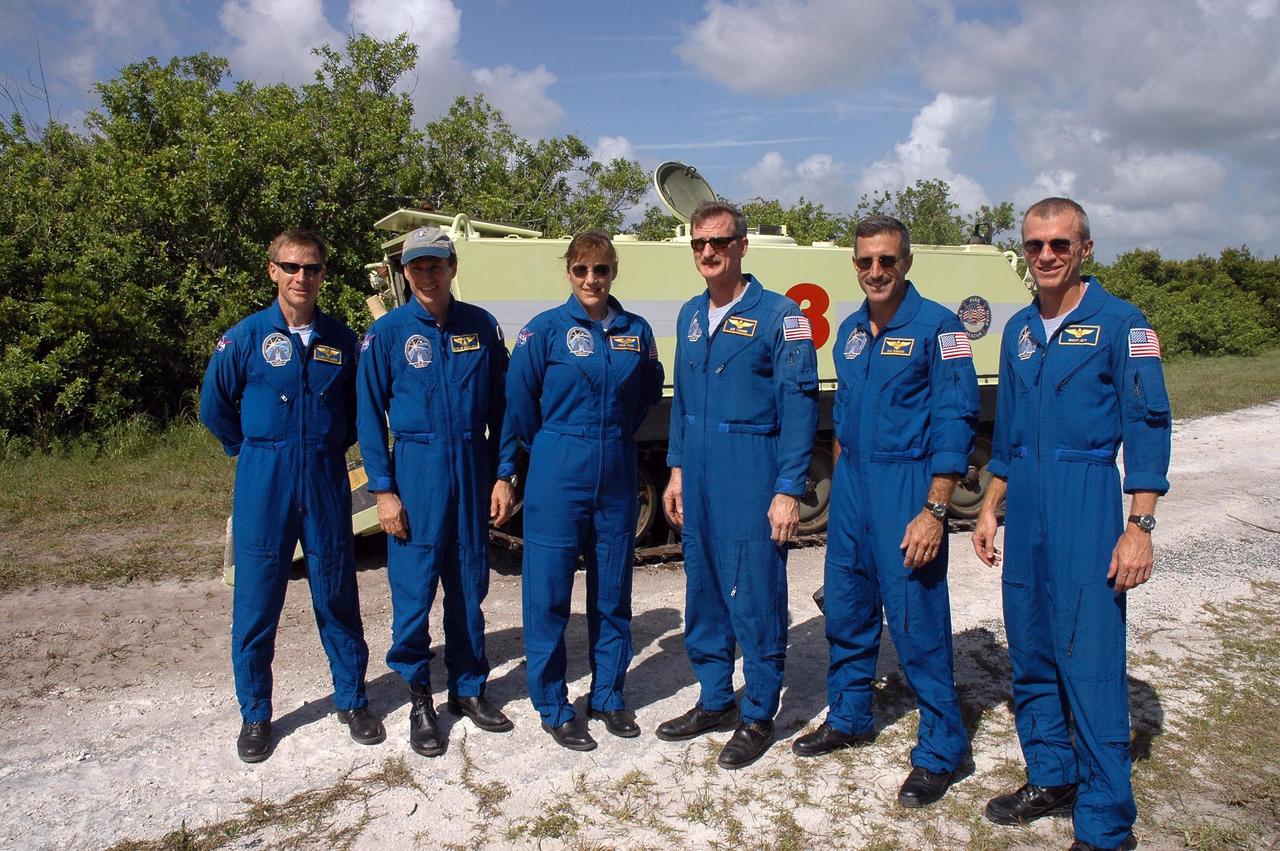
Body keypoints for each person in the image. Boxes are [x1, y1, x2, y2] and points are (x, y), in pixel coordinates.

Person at [972, 199, 1171, 851]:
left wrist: (1139, 523)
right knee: (1030, 652)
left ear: (1085, 248)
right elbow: (1008, 432)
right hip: (1024, 501)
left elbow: (1147, 427)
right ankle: (1053, 776)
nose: (1047, 256)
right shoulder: (1020, 329)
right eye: (1035, 245)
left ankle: (1108, 821)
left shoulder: (1121, 323)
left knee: (1088, 660)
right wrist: (991, 503)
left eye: (1060, 244)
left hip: (1085, 494)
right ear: (1023, 252)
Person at [792, 216, 978, 809]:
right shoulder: (849, 330)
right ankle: (850, 716)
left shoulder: (939, 329)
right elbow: (843, 416)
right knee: (846, 608)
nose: (876, 271)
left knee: (916, 621)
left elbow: (956, 421)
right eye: (866, 261)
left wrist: (934, 510)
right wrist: (844, 484)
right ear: (855, 264)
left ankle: (942, 750)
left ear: (907, 262)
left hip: (908, 485)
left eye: (887, 261)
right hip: (853, 486)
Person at [200, 228, 382, 763]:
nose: (303, 277)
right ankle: (256, 714)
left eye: (313, 268)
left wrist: (323, 448)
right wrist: (251, 450)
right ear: (273, 271)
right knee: (256, 604)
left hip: (324, 477)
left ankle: (352, 699)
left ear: (324, 274)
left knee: (337, 593)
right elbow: (214, 405)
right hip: (264, 478)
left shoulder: (341, 340)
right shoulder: (247, 336)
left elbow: (356, 412)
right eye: (292, 267)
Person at [659, 201, 819, 769]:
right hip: (698, 467)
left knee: (752, 589)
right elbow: (680, 397)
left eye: (720, 242)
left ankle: (757, 712)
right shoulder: (689, 315)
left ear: (742, 247)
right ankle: (714, 697)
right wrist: (676, 469)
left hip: (752, 463)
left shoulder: (780, 315)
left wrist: (787, 488)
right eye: (700, 243)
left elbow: (799, 407)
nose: (708, 252)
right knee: (703, 586)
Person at [355, 226, 515, 757]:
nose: (428, 274)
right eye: (418, 266)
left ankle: (468, 689)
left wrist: (503, 474)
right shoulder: (390, 332)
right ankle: (420, 694)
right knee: (414, 589)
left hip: (472, 465)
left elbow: (504, 408)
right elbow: (368, 418)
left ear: (453, 267)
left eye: (437, 264)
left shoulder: (482, 327)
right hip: (416, 470)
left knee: (469, 586)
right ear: (406, 273)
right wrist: (383, 490)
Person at [502, 231, 664, 751]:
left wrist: (611, 434)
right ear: (568, 272)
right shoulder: (543, 332)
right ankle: (552, 703)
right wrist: (548, 446)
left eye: (602, 269)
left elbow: (644, 392)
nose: (592, 279)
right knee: (548, 594)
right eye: (582, 270)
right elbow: (520, 403)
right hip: (557, 469)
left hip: (616, 468)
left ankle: (610, 696)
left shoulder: (635, 332)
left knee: (613, 591)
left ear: (614, 271)